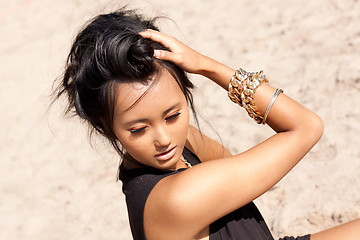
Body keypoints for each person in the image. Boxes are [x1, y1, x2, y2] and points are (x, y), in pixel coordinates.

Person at [53, 8, 360, 240]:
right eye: (138, 129)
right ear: (105, 125)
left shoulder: (181, 142)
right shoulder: (172, 200)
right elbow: (306, 127)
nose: (163, 138)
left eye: (173, 115)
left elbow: (235, 174)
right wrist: (209, 67)